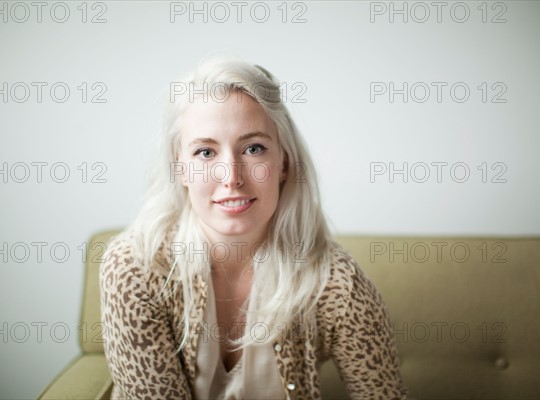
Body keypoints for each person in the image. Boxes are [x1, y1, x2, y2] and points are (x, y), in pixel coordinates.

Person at [99, 56, 408, 399]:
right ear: (180, 169)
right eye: (205, 152)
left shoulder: (334, 282)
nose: (231, 177)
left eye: (253, 148)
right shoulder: (134, 267)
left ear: (284, 163)